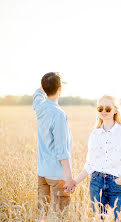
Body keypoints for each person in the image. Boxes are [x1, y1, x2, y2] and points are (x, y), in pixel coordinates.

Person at [74, 95, 121, 222]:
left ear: (115, 110)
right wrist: (74, 182)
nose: (103, 111)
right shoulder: (95, 134)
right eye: (100, 108)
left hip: (117, 184)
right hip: (96, 183)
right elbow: (90, 165)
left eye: (108, 109)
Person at [32, 72, 76, 212]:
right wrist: (69, 178)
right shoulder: (59, 114)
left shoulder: (39, 106)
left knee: (42, 215)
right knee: (60, 217)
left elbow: (37, 95)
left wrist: (47, 83)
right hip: (57, 175)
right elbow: (62, 150)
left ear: (44, 88)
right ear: (60, 89)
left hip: (42, 172)